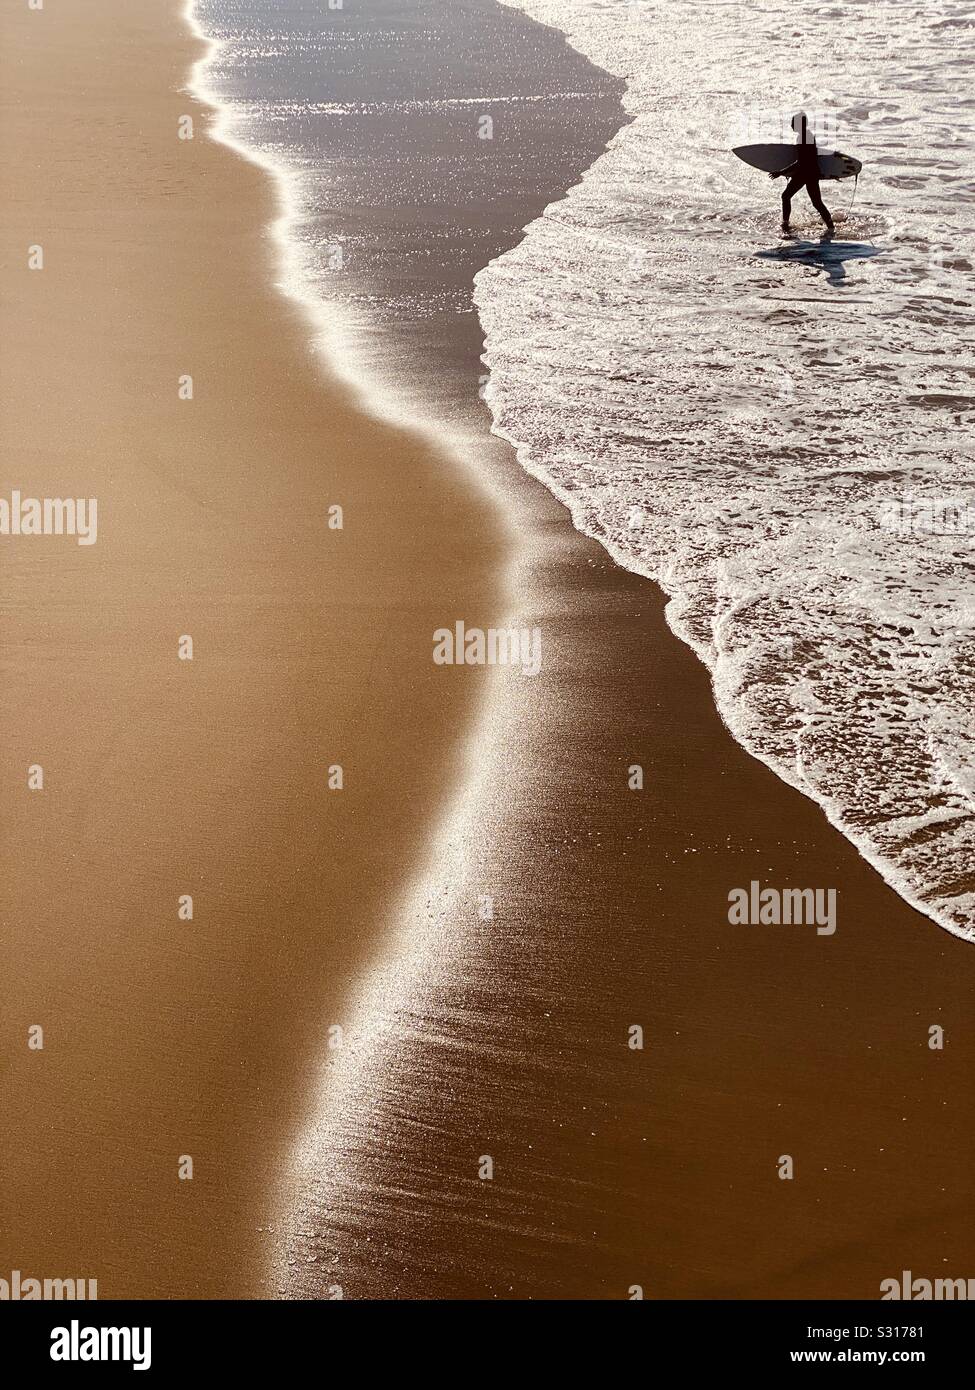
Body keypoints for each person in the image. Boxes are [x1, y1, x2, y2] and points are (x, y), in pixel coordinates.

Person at [770, 112, 834, 236]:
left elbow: (802, 161)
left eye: (793, 122)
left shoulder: (803, 137)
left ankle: (785, 225)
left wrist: (782, 172)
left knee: (786, 196)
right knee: (817, 202)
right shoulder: (808, 135)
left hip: (805, 172)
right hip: (811, 172)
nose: (791, 124)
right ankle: (831, 227)